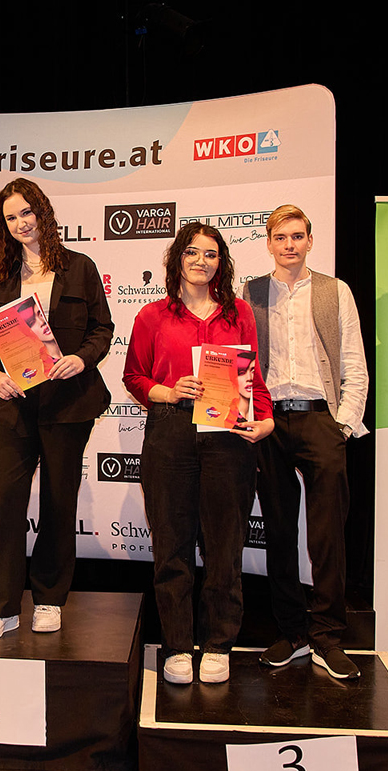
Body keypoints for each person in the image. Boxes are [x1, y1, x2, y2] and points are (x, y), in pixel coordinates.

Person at [123, 222, 274, 684]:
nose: (201, 261)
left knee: (224, 548)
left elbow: (254, 379)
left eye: (210, 254)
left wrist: (266, 420)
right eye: (192, 252)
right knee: (172, 548)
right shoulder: (152, 316)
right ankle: (176, 646)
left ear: (220, 263)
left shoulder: (239, 313)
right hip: (170, 434)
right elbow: (134, 377)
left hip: (228, 438)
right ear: (178, 259)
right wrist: (168, 392)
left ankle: (218, 644)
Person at [0, 178, 114, 641]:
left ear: (43, 213)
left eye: (26, 213)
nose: (20, 223)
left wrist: (82, 358)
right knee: (4, 500)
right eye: (10, 217)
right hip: (13, 404)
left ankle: (49, 598)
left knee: (58, 500)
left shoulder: (80, 267)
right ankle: (1, 606)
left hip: (68, 403)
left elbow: (102, 328)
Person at [238, 204, 370, 681]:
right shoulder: (250, 292)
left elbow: (354, 363)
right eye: (280, 237)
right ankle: (291, 632)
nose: (289, 244)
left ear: (310, 241)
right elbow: (241, 359)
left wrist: (343, 424)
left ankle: (328, 636)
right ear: (269, 244)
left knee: (327, 535)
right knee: (277, 531)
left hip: (320, 419)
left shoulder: (335, 291)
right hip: (269, 421)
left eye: (297, 236)